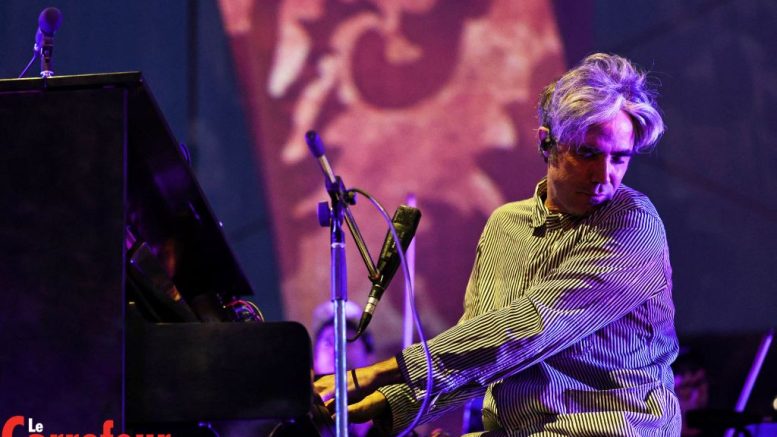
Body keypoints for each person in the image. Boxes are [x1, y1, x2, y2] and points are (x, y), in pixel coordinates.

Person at [315, 53, 680, 436]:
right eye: (587, 153)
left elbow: (530, 328)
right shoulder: (506, 226)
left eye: (619, 158)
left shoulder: (633, 221)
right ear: (547, 143)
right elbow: (479, 352)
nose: (604, 175)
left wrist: (374, 374)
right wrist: (385, 408)